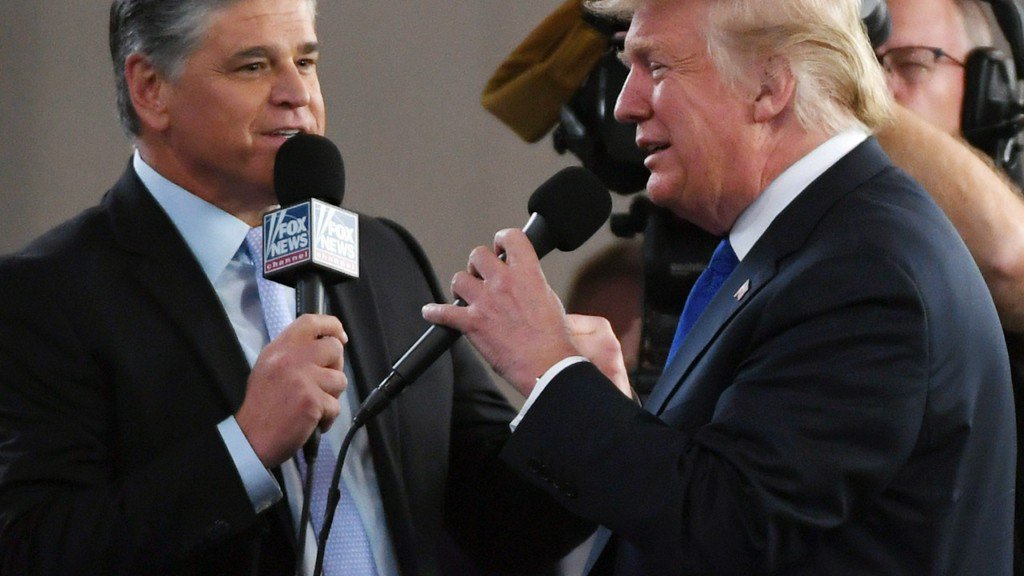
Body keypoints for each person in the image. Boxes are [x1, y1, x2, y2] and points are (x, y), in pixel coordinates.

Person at [423, 0, 1016, 573]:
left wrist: (551, 370)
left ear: (768, 86)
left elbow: (733, 528)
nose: (625, 105)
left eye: (656, 66)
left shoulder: (862, 272)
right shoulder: (813, 243)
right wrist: (603, 404)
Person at [0, 1, 592, 575]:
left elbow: (503, 527)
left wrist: (583, 409)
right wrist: (245, 448)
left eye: (305, 61)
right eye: (253, 66)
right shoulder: (44, 296)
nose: (296, 92)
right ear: (150, 89)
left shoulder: (382, 257)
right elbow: (31, 549)